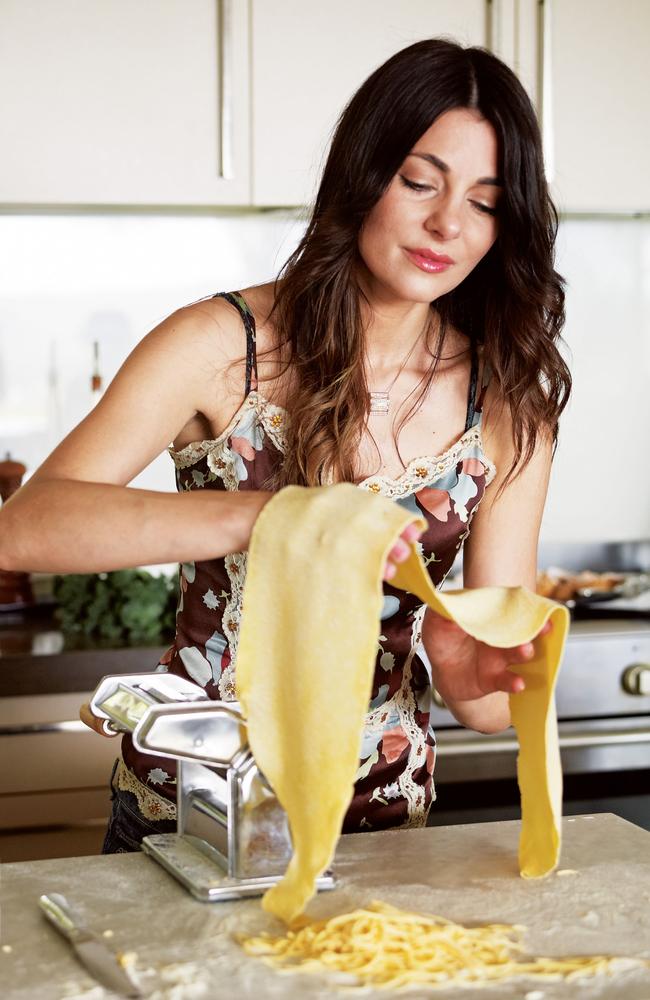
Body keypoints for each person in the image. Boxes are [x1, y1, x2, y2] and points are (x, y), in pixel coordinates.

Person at [0, 39, 570, 850]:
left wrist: (471, 673)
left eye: (485, 202)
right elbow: (26, 526)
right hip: (189, 818)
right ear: (363, 174)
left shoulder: (509, 407)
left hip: (381, 828)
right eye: (419, 182)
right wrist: (273, 517)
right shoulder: (219, 344)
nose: (448, 221)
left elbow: (483, 700)